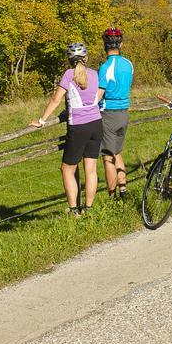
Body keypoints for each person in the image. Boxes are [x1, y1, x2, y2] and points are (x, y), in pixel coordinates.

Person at [30, 42, 102, 215]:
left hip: (78, 126)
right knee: (91, 169)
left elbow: (56, 99)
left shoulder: (69, 74)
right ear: (86, 58)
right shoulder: (93, 73)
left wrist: (41, 120)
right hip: (96, 123)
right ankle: (88, 209)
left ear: (69, 59)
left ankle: (74, 211)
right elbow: (97, 96)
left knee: (67, 169)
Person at [98, 27, 134, 199]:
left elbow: (99, 93)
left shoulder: (105, 67)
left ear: (105, 45)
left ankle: (112, 196)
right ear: (121, 44)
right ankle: (123, 189)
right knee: (117, 152)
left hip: (109, 114)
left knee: (107, 157)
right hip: (124, 112)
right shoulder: (128, 64)